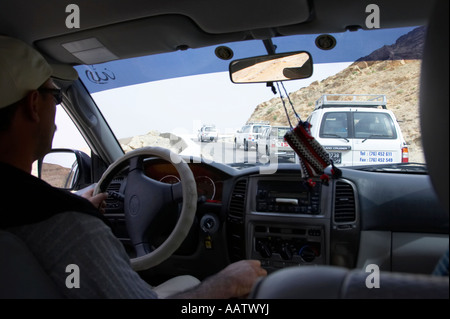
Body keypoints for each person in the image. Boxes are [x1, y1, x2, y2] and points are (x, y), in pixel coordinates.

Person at [0, 35, 267, 299]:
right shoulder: (66, 223)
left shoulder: (54, 217)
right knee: (198, 281)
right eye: (56, 96)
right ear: (34, 105)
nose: (55, 107)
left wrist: (79, 209)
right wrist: (226, 283)